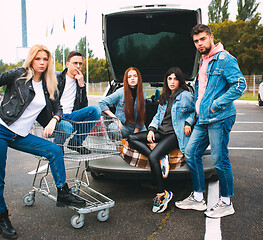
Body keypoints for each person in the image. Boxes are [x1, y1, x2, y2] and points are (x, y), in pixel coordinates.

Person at [0, 45, 85, 239]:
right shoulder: (19, 75)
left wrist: (54, 120)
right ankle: (2, 219)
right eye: (38, 59)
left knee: (54, 150)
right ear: (31, 59)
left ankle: (62, 192)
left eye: (45, 59)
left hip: (19, 134)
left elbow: (58, 108)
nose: (41, 63)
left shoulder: (49, 83)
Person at [175, 24, 246, 218]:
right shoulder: (203, 61)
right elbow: (201, 92)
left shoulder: (224, 59)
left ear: (211, 37)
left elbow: (240, 85)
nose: (199, 44)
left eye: (202, 39)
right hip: (203, 118)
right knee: (191, 153)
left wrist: (216, 104)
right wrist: (197, 114)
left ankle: (226, 202)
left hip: (220, 117)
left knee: (219, 158)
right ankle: (198, 198)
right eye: (196, 41)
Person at [128, 67, 195, 213]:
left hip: (174, 134)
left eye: (175, 79)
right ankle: (160, 159)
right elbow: (158, 116)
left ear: (180, 80)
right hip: (161, 132)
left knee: (152, 156)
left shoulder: (186, 95)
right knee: (132, 137)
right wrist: (151, 129)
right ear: (166, 80)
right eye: (169, 78)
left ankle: (162, 193)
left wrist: (188, 123)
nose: (172, 82)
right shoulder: (164, 96)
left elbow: (195, 111)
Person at [54, 51, 101, 154]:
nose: (78, 66)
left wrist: (81, 86)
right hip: (58, 117)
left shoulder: (79, 81)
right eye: (75, 63)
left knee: (96, 110)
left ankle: (76, 142)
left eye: (80, 64)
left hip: (72, 116)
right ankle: (58, 144)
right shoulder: (57, 78)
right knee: (67, 127)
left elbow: (84, 106)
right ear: (67, 64)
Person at [98, 67, 146, 139]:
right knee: (112, 127)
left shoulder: (142, 94)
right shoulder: (120, 92)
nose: (132, 78)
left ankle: (131, 141)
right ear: (126, 80)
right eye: (129, 77)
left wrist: (136, 132)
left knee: (148, 137)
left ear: (139, 78)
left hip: (139, 128)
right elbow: (102, 103)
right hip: (124, 127)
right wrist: (115, 119)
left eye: (135, 76)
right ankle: (123, 143)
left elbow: (141, 115)